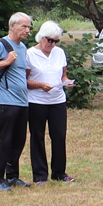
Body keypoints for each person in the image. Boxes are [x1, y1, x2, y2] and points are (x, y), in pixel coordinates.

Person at [0, 12, 34, 191]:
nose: (28, 30)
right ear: (13, 26)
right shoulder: (1, 45)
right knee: (4, 140)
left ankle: (13, 176)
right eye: (24, 26)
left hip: (22, 101)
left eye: (29, 27)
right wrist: (6, 62)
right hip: (6, 100)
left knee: (19, 140)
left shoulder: (22, 47)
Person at [25, 20, 74, 183]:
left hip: (57, 100)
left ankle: (59, 172)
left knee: (59, 136)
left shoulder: (59, 52)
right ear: (41, 37)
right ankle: (40, 175)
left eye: (56, 41)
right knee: (37, 136)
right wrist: (39, 85)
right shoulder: (30, 54)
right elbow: (23, 81)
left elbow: (63, 75)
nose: (52, 44)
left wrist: (67, 82)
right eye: (49, 40)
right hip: (36, 101)